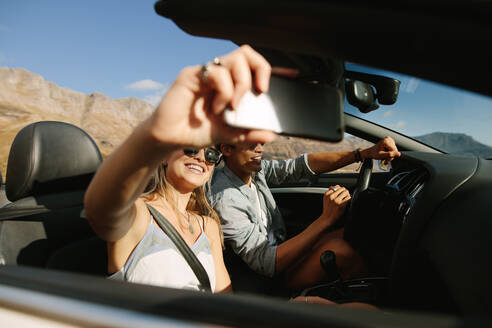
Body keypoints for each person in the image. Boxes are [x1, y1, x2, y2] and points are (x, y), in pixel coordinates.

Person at [84, 45, 279, 293]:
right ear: (164, 155)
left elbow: (224, 298)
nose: (201, 157)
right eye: (190, 148)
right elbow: (100, 210)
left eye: (210, 154)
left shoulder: (208, 226)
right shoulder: (140, 214)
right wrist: (154, 135)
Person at [210, 138, 400, 289]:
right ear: (227, 149)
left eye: (261, 142)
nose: (260, 148)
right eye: (252, 143)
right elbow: (266, 264)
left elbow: (298, 167)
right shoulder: (225, 199)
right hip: (268, 277)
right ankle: (383, 301)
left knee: (347, 233)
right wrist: (325, 219)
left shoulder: (253, 171)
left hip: (282, 250)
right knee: (340, 251)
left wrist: (362, 154)